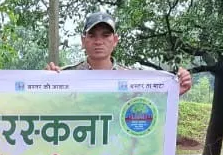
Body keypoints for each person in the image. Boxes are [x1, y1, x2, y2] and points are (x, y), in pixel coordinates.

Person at [49, 11, 194, 95]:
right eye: (92, 35)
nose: (98, 41)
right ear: (83, 40)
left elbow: (150, 104)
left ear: (115, 40)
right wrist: (43, 84)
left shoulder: (133, 79)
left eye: (105, 35)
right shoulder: (65, 76)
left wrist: (175, 91)